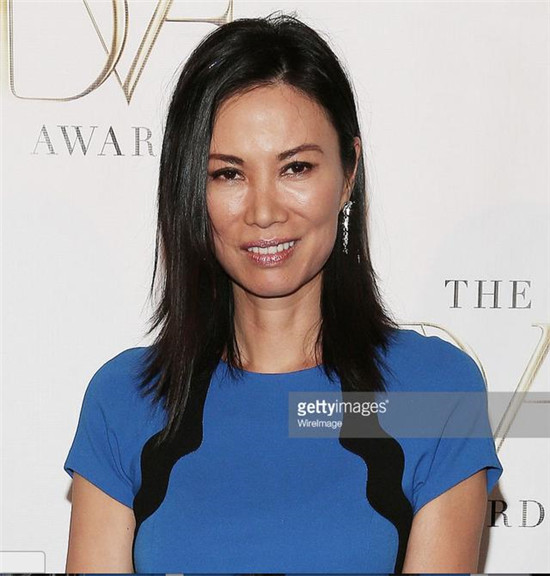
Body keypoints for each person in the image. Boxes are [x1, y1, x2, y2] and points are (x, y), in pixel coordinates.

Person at [64, 13, 503, 575]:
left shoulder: (434, 392)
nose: (265, 212)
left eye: (295, 167)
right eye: (228, 174)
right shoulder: (126, 399)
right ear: (189, 189)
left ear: (348, 173)